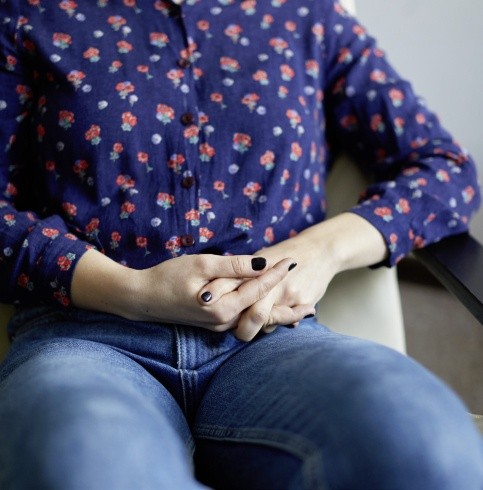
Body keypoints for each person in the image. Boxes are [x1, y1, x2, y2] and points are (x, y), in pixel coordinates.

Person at [0, 0, 482, 488]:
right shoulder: (28, 13)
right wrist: (134, 291)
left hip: (273, 340)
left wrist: (321, 250)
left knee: (425, 441)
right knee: (84, 464)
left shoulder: (307, 14)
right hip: (85, 340)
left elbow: (445, 170)